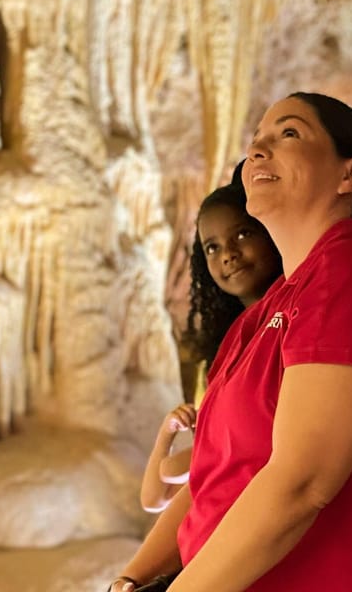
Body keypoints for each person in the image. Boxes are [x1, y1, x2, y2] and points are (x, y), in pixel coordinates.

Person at [108, 92, 352, 592]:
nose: (258, 150)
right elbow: (210, 481)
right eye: (256, 140)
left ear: (350, 175)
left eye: (288, 133)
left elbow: (303, 483)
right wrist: (131, 579)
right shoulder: (257, 319)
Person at [139, 181, 283, 513]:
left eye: (243, 235)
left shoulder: (289, 326)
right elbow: (154, 499)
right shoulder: (228, 351)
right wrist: (167, 433)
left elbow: (181, 470)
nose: (229, 254)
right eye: (212, 247)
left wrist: (190, 459)